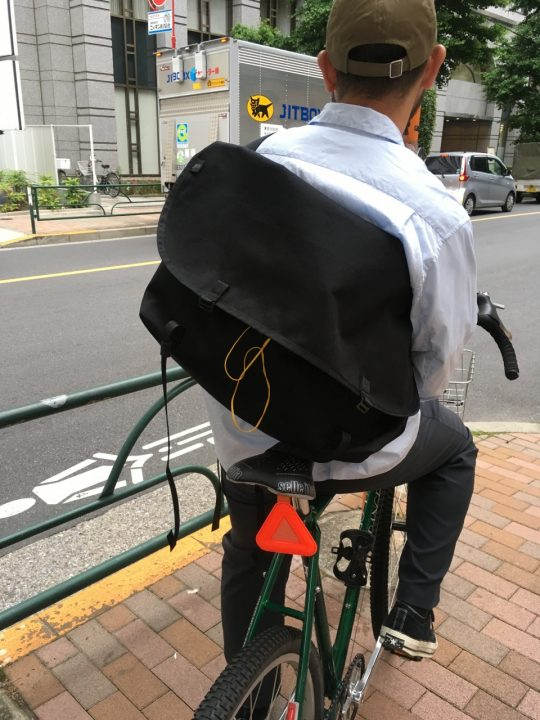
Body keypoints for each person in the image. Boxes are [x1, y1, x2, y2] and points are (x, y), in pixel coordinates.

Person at [202, 0, 477, 666]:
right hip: (360, 446)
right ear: (432, 68)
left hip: (249, 427)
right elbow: (431, 370)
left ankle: (250, 688)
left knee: (247, 544)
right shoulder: (435, 214)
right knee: (455, 448)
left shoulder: (262, 164)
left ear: (326, 70)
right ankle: (414, 609)